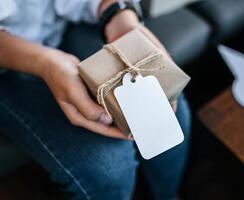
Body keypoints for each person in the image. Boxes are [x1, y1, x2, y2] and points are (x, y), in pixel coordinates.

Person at [0, 0, 191, 199]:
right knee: (108, 167)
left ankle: (167, 195)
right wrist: (45, 63)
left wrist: (117, 13)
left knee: (168, 111)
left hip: (63, 25)